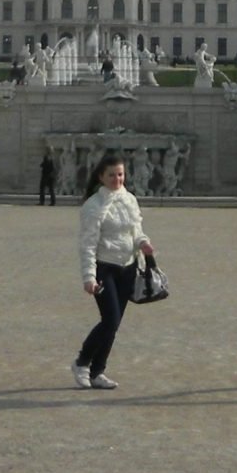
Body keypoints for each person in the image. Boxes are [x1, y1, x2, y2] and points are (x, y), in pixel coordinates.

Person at [71, 151, 154, 390]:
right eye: (112, 175)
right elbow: (87, 244)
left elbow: (136, 230)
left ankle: (97, 371)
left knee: (114, 324)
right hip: (104, 267)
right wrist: (89, 276)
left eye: (120, 175)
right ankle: (82, 361)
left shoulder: (129, 200)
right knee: (110, 319)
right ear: (101, 177)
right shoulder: (93, 206)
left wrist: (143, 242)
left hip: (128, 267)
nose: (117, 179)